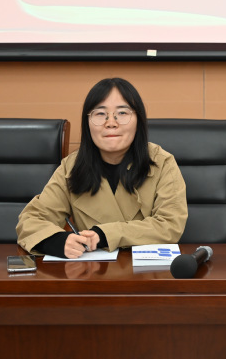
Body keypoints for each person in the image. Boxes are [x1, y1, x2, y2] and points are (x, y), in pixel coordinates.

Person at [17, 78, 188, 258]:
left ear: (139, 120)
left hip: (148, 271)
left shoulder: (161, 162)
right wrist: (56, 241)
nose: (111, 122)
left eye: (122, 113)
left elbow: (170, 225)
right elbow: (31, 220)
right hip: (92, 270)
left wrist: (105, 235)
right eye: (100, 114)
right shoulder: (72, 167)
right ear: (87, 122)